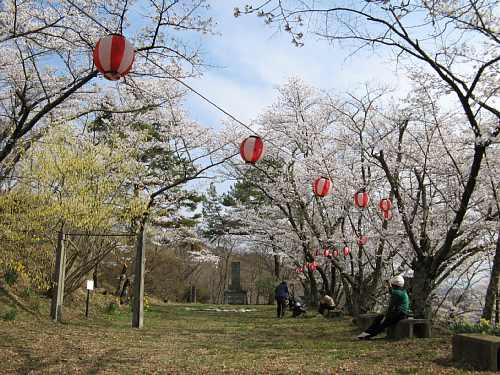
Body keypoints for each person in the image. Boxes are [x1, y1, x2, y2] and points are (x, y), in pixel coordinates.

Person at [357, 275, 410, 339]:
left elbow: (391, 306)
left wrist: (386, 316)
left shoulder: (397, 293)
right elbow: (391, 292)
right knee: (379, 318)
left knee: (383, 324)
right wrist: (389, 284)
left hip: (399, 314)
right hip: (399, 313)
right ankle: (366, 333)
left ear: (394, 285)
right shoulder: (401, 292)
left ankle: (367, 335)